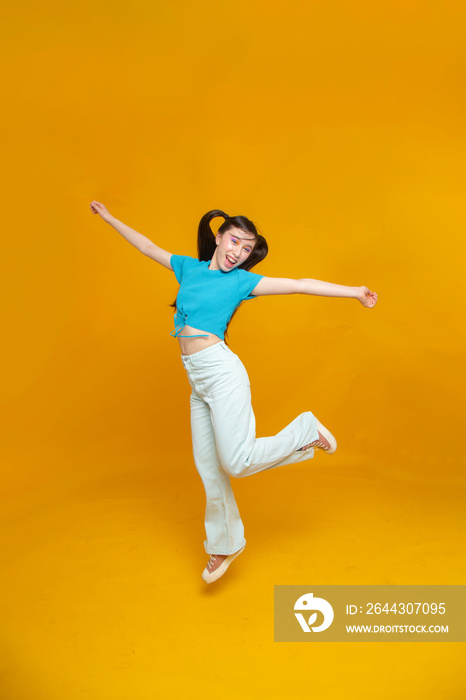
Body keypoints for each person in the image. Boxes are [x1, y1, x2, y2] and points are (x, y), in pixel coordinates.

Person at [89, 201, 378, 584]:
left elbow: (300, 285)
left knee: (237, 462)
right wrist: (110, 218)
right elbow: (146, 246)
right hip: (198, 381)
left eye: (246, 250)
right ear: (219, 237)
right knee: (210, 468)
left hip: (222, 373)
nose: (238, 253)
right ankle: (225, 544)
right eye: (235, 242)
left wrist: (355, 291)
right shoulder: (188, 268)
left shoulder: (241, 282)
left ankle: (305, 430)